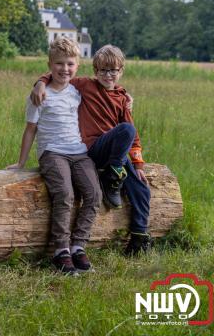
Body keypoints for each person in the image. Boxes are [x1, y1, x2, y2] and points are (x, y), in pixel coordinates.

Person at [31, 44, 151, 256]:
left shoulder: (123, 98)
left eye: (113, 70)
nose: (108, 75)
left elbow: (133, 136)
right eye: (103, 70)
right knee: (126, 129)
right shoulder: (85, 85)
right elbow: (59, 74)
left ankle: (139, 236)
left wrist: (139, 164)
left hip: (117, 153)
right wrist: (40, 83)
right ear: (95, 71)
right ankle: (113, 176)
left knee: (141, 185)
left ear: (121, 71)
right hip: (93, 149)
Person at [7, 37, 102, 275]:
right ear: (50, 64)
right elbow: (30, 130)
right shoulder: (40, 95)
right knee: (65, 194)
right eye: (59, 64)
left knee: (94, 193)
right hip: (52, 152)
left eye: (70, 64)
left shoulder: (77, 92)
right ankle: (61, 251)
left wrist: (127, 99)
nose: (65, 69)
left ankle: (79, 245)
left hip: (78, 152)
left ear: (77, 66)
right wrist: (21, 162)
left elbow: (108, 90)